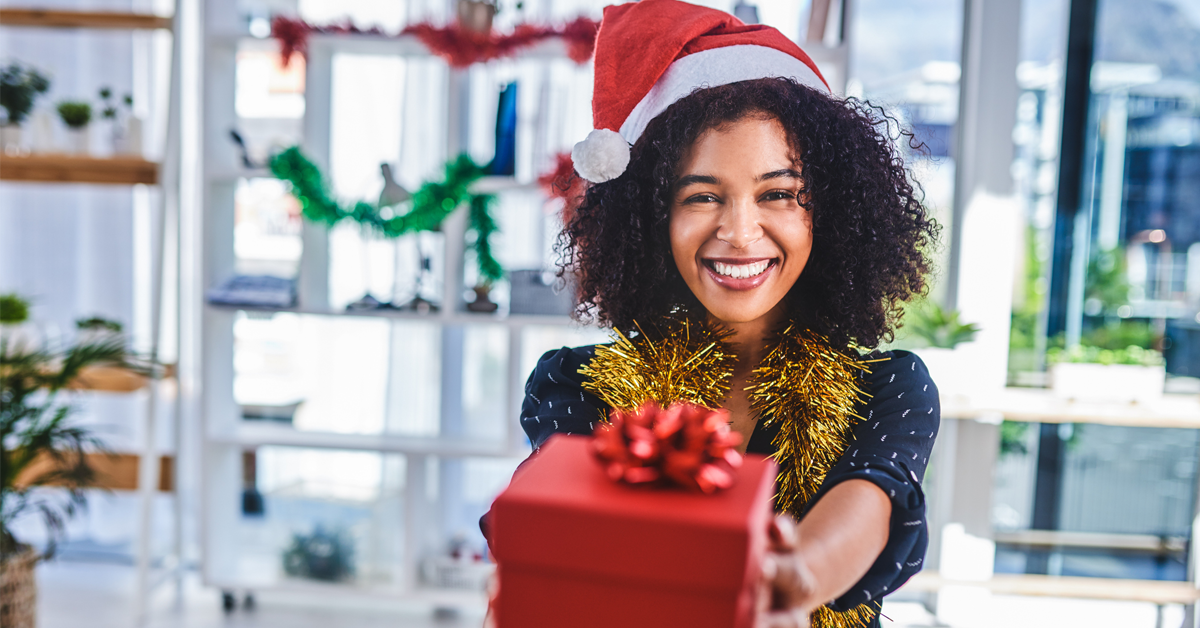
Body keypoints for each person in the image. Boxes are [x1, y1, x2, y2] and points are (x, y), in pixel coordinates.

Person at [487, 2, 941, 626]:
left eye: (778, 194)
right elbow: (554, 513)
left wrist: (798, 574)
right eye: (701, 195)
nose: (739, 231)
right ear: (649, 219)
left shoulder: (887, 388)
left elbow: (873, 496)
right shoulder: (577, 384)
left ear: (830, 210)